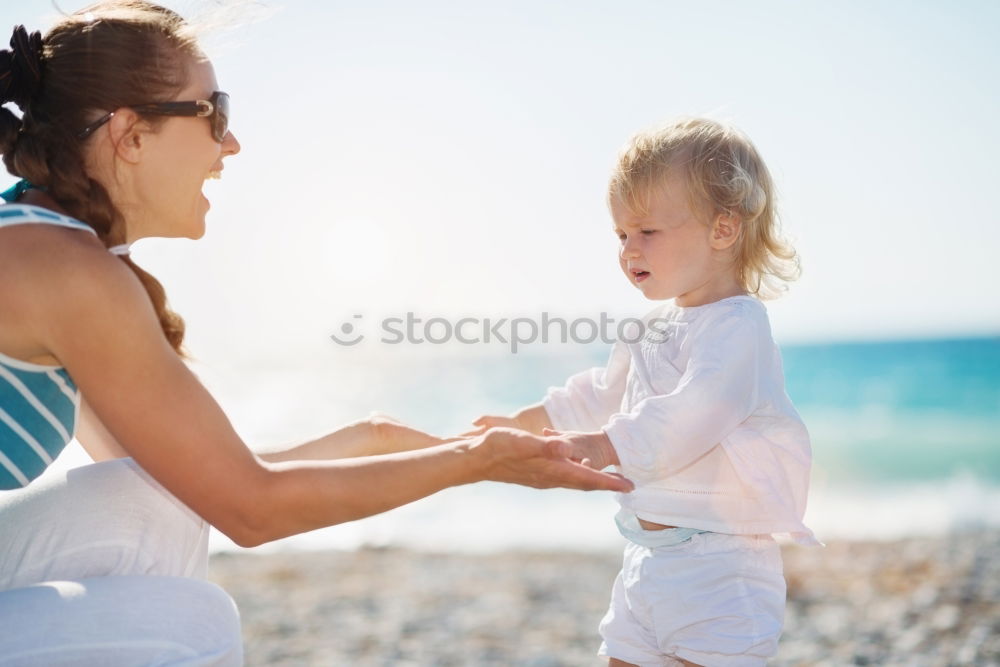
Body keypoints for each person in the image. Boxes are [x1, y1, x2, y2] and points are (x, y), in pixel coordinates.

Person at [0, 2, 632, 664]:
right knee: (192, 621)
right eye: (213, 113)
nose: (231, 144)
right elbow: (250, 509)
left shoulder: (51, 248)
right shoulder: (69, 274)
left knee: (150, 510)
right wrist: (474, 462)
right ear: (130, 137)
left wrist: (377, 440)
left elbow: (203, 479)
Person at [469, 117, 820, 666]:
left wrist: (605, 447)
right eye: (621, 235)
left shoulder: (738, 326)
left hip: (721, 569)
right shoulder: (650, 328)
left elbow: (695, 412)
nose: (629, 249)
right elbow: (597, 396)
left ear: (722, 230)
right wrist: (526, 420)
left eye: (647, 231)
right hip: (647, 559)